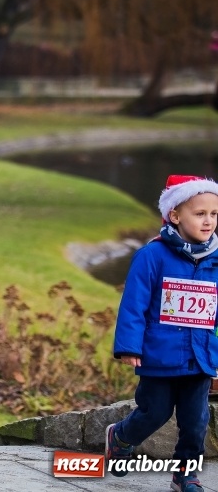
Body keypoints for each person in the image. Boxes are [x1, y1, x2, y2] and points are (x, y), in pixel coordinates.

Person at [105, 174, 218, 492]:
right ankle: (122, 436)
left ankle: (185, 476)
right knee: (154, 412)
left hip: (200, 359)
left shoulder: (216, 261)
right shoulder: (151, 257)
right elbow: (133, 305)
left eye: (214, 214)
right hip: (159, 354)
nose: (208, 221)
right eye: (200, 214)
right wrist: (130, 346)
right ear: (175, 215)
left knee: (196, 422)